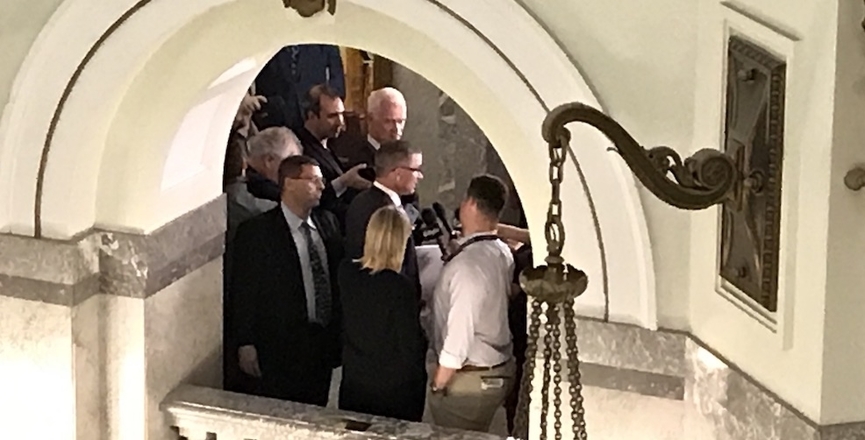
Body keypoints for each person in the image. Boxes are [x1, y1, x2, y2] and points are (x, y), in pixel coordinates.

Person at [230, 155, 343, 406]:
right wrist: (245, 341)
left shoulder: (328, 223)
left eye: (322, 180)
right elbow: (244, 290)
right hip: (279, 345)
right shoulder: (257, 233)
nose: (322, 186)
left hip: (322, 343)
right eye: (313, 180)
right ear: (289, 183)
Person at [429, 174, 516, 432]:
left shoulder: (467, 267)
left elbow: (459, 335)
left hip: (469, 379)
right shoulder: (499, 250)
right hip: (494, 367)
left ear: (471, 204)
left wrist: (439, 383)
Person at [337, 205, 427, 421]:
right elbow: (409, 347)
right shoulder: (399, 286)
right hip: (393, 391)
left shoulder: (346, 272)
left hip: (355, 382)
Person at [343, 140, 424, 294]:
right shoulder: (381, 211)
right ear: (398, 174)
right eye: (416, 169)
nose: (420, 176)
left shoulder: (362, 200)